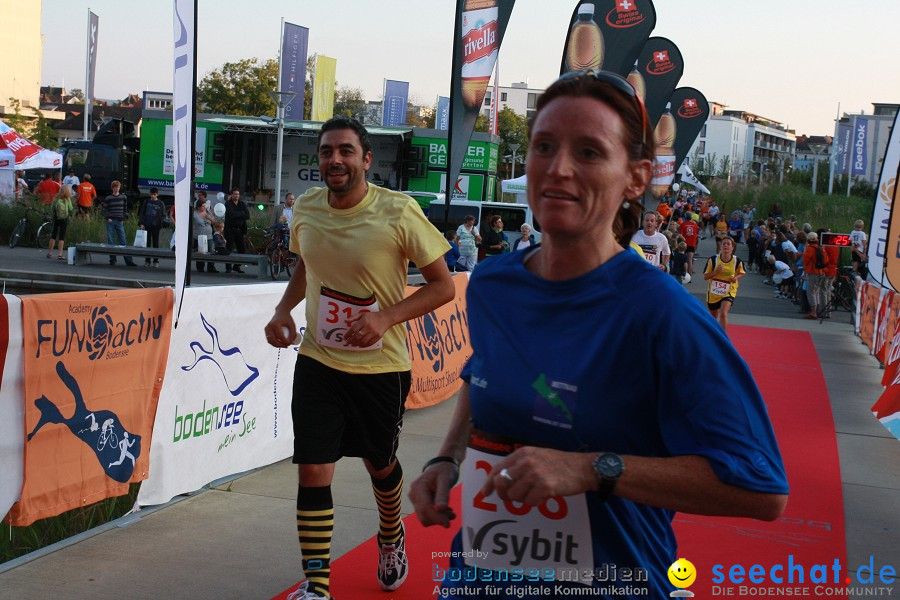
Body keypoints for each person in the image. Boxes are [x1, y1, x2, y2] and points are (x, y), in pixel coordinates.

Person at [409, 69, 787, 600]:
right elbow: (483, 371)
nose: (558, 169)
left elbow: (761, 489)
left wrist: (591, 470)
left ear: (635, 178)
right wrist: (446, 458)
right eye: (544, 146)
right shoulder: (493, 284)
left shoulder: (662, 313)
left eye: (588, 152)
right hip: (480, 578)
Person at [263, 116, 454, 600]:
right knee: (313, 468)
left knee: (379, 463)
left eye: (346, 151)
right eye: (327, 151)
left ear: (366, 159)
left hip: (380, 368)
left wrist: (386, 318)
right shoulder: (305, 209)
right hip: (319, 362)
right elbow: (308, 262)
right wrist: (283, 309)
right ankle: (318, 584)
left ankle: (391, 536)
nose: (335, 160)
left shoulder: (399, 211)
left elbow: (443, 286)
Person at [703, 236, 745, 330]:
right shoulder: (713, 260)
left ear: (732, 247)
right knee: (713, 316)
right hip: (714, 292)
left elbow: (742, 272)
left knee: (723, 313)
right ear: (720, 246)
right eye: (724, 244)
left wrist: (736, 278)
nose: (726, 245)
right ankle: (713, 334)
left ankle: (723, 338)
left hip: (729, 290)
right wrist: (716, 272)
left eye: (728, 244)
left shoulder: (737, 261)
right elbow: (705, 277)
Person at [101, 180, 136, 267]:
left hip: (120, 221)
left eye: (118, 187)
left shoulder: (123, 197)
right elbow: (104, 210)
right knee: (111, 241)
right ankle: (112, 259)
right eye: (115, 187)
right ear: (112, 188)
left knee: (123, 241)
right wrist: (108, 217)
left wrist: (123, 217)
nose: (117, 189)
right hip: (111, 221)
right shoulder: (108, 198)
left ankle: (128, 261)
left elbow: (125, 208)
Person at [802, 232, 831, 320]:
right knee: (817, 291)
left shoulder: (810, 249)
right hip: (822, 272)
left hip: (813, 272)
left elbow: (805, 261)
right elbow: (827, 260)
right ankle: (817, 310)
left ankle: (813, 312)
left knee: (811, 292)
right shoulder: (821, 248)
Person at [224, 187, 250, 273]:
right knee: (229, 249)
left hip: (240, 230)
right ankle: (228, 267)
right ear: (231, 195)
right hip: (230, 230)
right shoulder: (228, 204)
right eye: (235, 194)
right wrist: (241, 214)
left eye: (238, 194)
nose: (236, 196)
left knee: (242, 249)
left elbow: (247, 215)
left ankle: (237, 266)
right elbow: (231, 214)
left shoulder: (242, 204)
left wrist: (238, 215)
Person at [139, 187, 166, 267]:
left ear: (157, 194)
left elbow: (163, 215)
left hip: (156, 226)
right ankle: (147, 260)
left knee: (155, 243)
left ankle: (156, 261)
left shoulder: (160, 203)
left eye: (154, 194)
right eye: (152, 194)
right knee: (147, 243)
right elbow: (142, 213)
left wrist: (158, 222)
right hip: (147, 224)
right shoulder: (146, 202)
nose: (153, 196)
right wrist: (141, 223)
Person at [47, 184, 74, 259]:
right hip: (64, 218)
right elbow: (70, 208)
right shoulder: (67, 199)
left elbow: (52, 207)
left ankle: (50, 253)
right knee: (62, 236)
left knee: (53, 235)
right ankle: (60, 254)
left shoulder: (56, 197)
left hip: (56, 218)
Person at [192, 196, 218, 273]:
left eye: (205, 206)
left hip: (209, 235)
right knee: (201, 252)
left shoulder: (208, 212)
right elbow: (191, 223)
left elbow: (214, 222)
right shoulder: (195, 214)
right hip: (199, 235)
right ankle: (200, 268)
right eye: (203, 206)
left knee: (210, 251)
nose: (204, 207)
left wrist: (209, 217)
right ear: (199, 207)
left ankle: (211, 267)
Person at [678, 210, 699, 276]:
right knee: (690, 259)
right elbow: (696, 234)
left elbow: (680, 235)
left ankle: (683, 273)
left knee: (683, 259)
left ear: (685, 217)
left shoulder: (682, 224)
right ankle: (689, 275)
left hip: (684, 243)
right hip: (692, 244)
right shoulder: (695, 225)